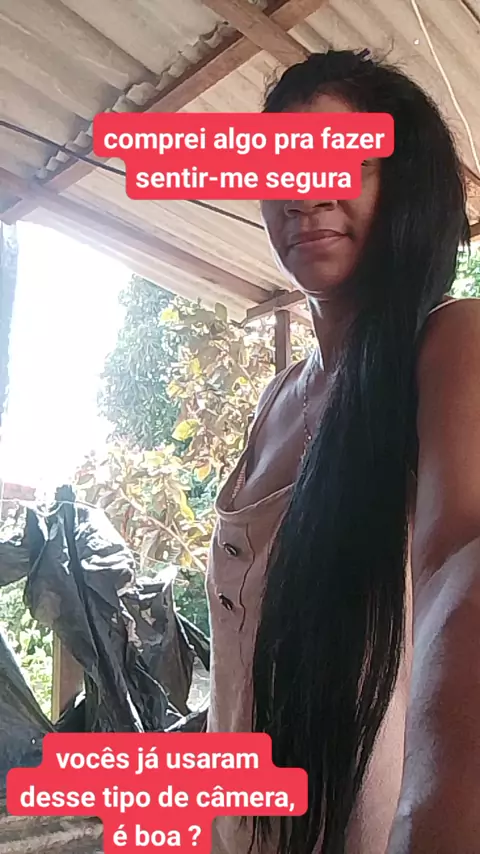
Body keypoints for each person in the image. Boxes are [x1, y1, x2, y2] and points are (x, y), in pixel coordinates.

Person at [206, 49, 480, 854]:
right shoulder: (276, 398)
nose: (306, 193)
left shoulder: (450, 346)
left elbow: (463, 580)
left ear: (404, 185)